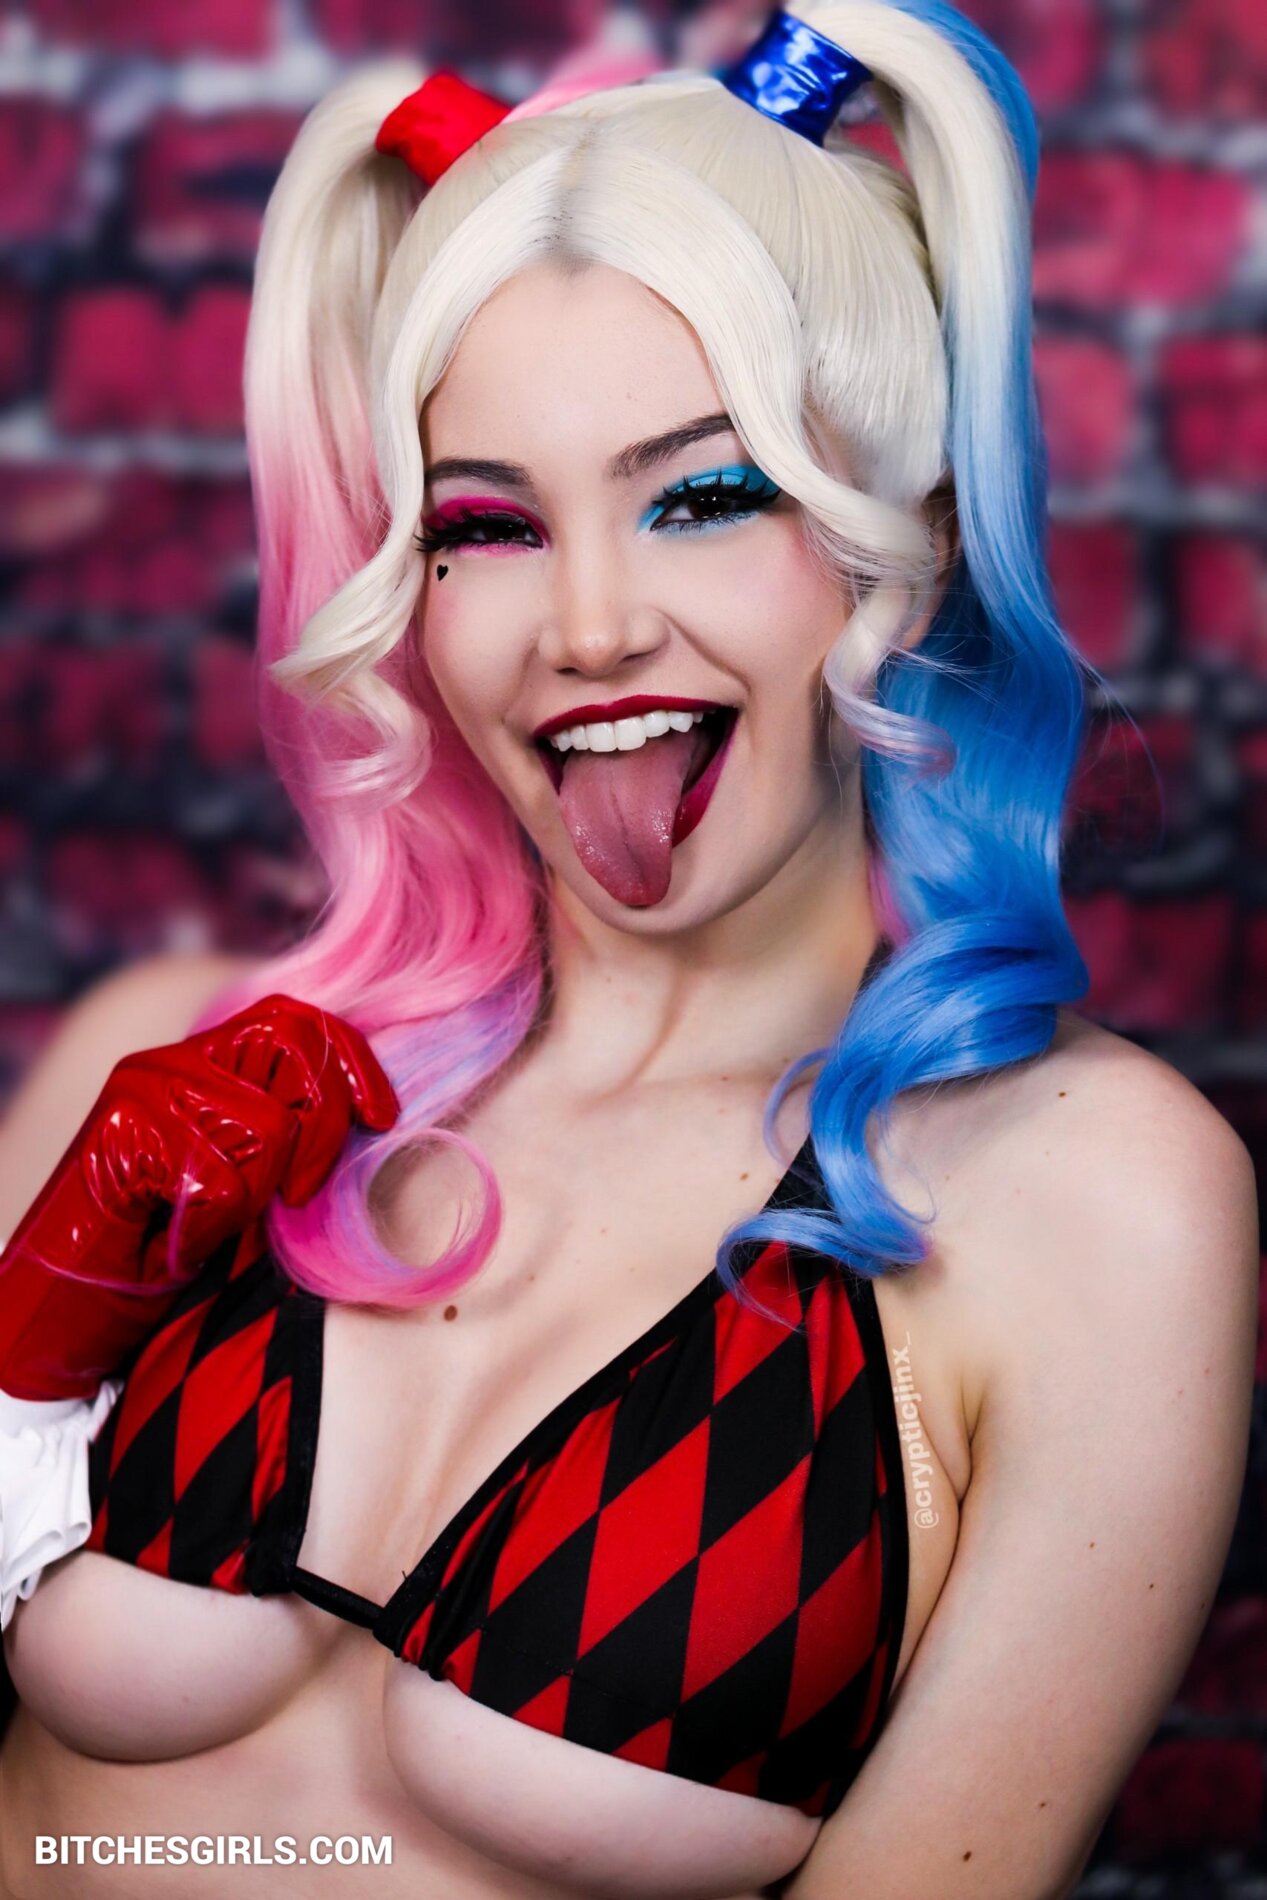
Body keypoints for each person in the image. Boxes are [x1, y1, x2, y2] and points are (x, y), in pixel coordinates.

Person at [0, 4, 1258, 1896]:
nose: (589, 628)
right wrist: (20, 1359)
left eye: (707, 494)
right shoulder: (176, 1065)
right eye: (489, 524)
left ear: (907, 533)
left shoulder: (1084, 1199)